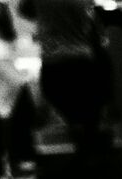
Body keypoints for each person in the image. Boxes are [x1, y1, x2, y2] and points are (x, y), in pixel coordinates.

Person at [17, 0, 111, 154]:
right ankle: (88, 151)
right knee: (88, 115)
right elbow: (96, 28)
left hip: (55, 62)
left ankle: (82, 146)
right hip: (83, 60)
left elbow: (25, 11)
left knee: (68, 110)